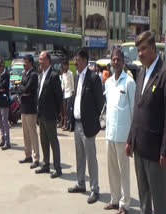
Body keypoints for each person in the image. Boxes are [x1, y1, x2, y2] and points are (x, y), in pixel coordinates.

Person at [126, 31, 166, 214]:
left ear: (153, 49)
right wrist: (130, 139)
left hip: (156, 152)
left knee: (160, 197)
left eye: (143, 49)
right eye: (138, 50)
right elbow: (137, 110)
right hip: (139, 147)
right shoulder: (141, 73)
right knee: (144, 196)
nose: (140, 53)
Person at [67, 48, 104, 204]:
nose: (75, 62)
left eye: (78, 60)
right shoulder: (77, 77)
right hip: (77, 124)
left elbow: (100, 103)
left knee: (91, 158)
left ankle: (95, 189)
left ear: (85, 61)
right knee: (80, 157)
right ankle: (81, 183)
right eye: (75, 59)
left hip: (88, 126)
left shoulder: (94, 78)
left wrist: (94, 122)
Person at [104, 48, 136, 214]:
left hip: (124, 136)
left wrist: (131, 139)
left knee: (124, 172)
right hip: (110, 134)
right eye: (113, 59)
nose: (115, 62)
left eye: (118, 59)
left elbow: (134, 111)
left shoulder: (129, 82)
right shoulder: (108, 83)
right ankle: (114, 200)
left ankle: (125, 204)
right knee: (112, 170)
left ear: (123, 62)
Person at [35, 51, 63, 178]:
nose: (40, 62)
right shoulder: (41, 75)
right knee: (44, 140)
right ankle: (46, 164)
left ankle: (57, 168)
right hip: (41, 114)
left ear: (48, 61)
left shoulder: (53, 75)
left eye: (42, 59)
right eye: (39, 60)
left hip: (50, 115)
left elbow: (59, 97)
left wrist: (58, 114)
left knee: (53, 141)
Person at [18, 55, 40, 169]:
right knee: (25, 134)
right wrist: (23, 90)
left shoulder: (34, 75)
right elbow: (20, 88)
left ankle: (36, 158)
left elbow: (27, 89)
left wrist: (23, 90)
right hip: (24, 107)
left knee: (33, 134)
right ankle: (28, 155)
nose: (24, 64)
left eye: (25, 62)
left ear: (31, 63)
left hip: (31, 109)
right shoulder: (24, 74)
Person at [0, 58, 11, 150]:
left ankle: (7, 142)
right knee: (0, 122)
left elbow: (3, 86)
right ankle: (2, 140)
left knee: (5, 122)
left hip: (4, 101)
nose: (1, 67)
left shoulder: (6, 75)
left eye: (2, 65)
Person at [61, 58, 74, 131]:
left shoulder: (70, 73)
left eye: (66, 65)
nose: (65, 67)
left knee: (68, 110)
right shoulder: (63, 74)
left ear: (68, 66)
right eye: (64, 65)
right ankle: (65, 124)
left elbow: (72, 84)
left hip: (69, 94)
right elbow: (62, 85)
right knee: (64, 111)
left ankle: (69, 125)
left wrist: (72, 93)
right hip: (64, 94)